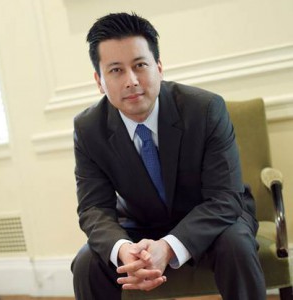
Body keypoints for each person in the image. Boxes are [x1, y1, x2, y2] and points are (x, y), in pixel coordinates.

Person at [71, 12, 266, 300]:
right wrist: (125, 250)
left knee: (236, 244)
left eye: (140, 65)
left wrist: (170, 246)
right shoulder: (88, 128)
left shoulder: (206, 109)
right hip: (141, 223)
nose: (131, 80)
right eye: (115, 70)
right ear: (99, 81)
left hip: (212, 217)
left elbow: (224, 198)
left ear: (159, 67)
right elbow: (93, 209)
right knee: (88, 261)